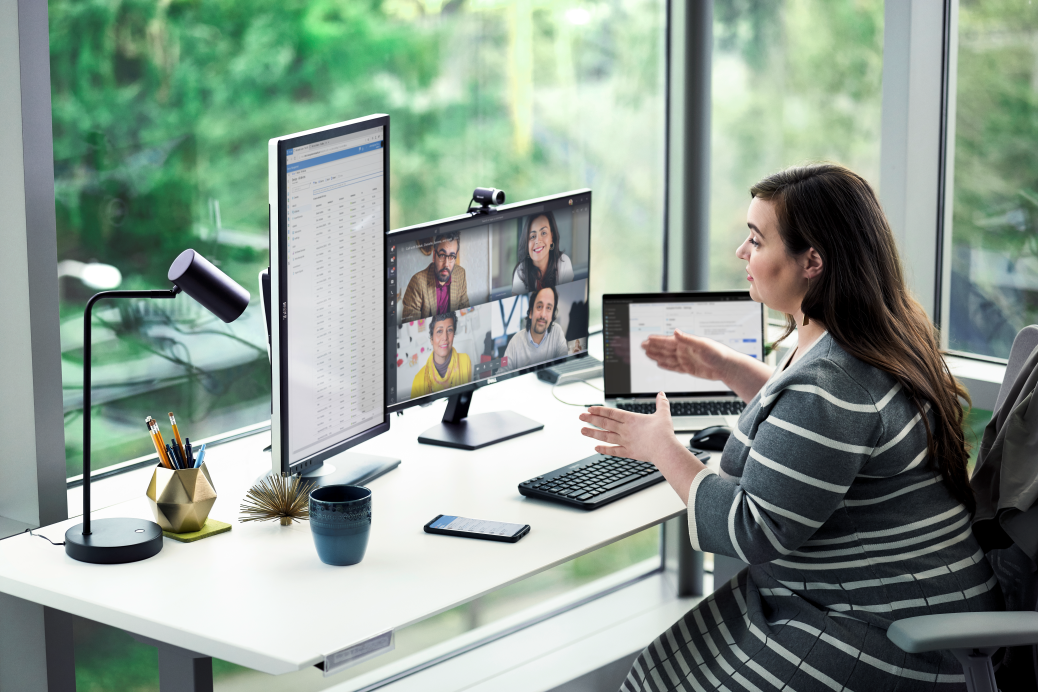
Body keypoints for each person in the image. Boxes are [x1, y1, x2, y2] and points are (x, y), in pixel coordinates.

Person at [579, 164, 1002, 691]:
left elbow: (752, 530)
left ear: (812, 263)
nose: (742, 252)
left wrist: (660, 448)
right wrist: (726, 366)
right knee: (658, 672)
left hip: (890, 633)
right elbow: (819, 437)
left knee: (657, 679)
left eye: (756, 240)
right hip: (907, 595)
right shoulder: (873, 339)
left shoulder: (832, 384)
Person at [401, 232, 469, 322]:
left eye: (452, 256)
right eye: (442, 255)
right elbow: (411, 323)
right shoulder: (417, 282)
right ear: (434, 255)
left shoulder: (461, 274)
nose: (446, 264)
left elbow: (464, 313)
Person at [502, 287, 568, 371]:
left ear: (552, 316)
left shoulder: (557, 332)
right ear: (530, 313)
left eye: (548, 308)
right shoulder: (515, 342)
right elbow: (502, 374)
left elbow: (565, 364)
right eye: (539, 306)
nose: (543, 315)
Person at [410, 312, 471, 397]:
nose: (445, 337)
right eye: (439, 331)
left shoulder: (465, 360)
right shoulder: (418, 380)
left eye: (449, 330)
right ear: (431, 339)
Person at [511, 211, 574, 295]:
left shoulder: (564, 262)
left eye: (543, 233)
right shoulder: (521, 272)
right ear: (526, 243)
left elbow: (569, 297)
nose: (538, 241)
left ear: (552, 237)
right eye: (532, 236)